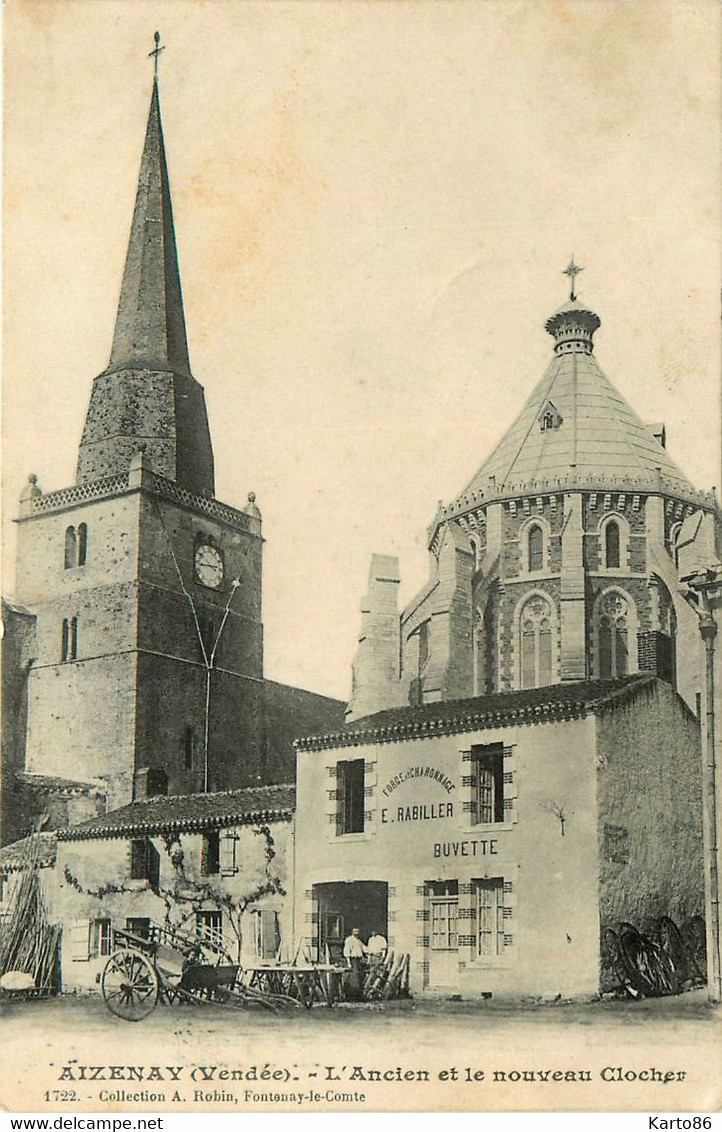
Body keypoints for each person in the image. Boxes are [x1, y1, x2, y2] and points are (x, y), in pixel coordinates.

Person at [342, 927, 367, 1000]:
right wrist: (349, 963)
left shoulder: (358, 940)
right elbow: (347, 951)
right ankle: (351, 995)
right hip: (353, 960)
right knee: (354, 977)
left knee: (359, 976)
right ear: (352, 932)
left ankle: (357, 995)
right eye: (355, 932)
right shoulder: (349, 940)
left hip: (359, 960)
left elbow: (363, 948)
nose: (356, 933)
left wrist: (370, 951)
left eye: (357, 932)